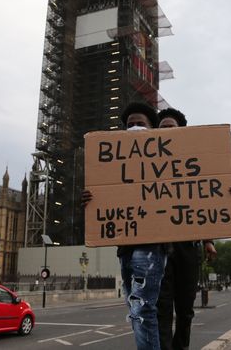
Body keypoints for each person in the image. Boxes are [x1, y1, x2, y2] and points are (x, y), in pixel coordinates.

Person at [156, 107, 231, 350]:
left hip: (187, 248)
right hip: (159, 250)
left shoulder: (196, 161)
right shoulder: (146, 165)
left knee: (185, 310)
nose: (167, 131)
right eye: (162, 127)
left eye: (171, 127)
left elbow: (202, 200)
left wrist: (228, 194)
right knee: (162, 310)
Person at [83, 102, 166, 350]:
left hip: (151, 246)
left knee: (142, 308)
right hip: (126, 248)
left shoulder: (161, 161)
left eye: (140, 124)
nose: (134, 128)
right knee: (135, 309)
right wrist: (90, 199)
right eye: (129, 125)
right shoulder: (115, 169)